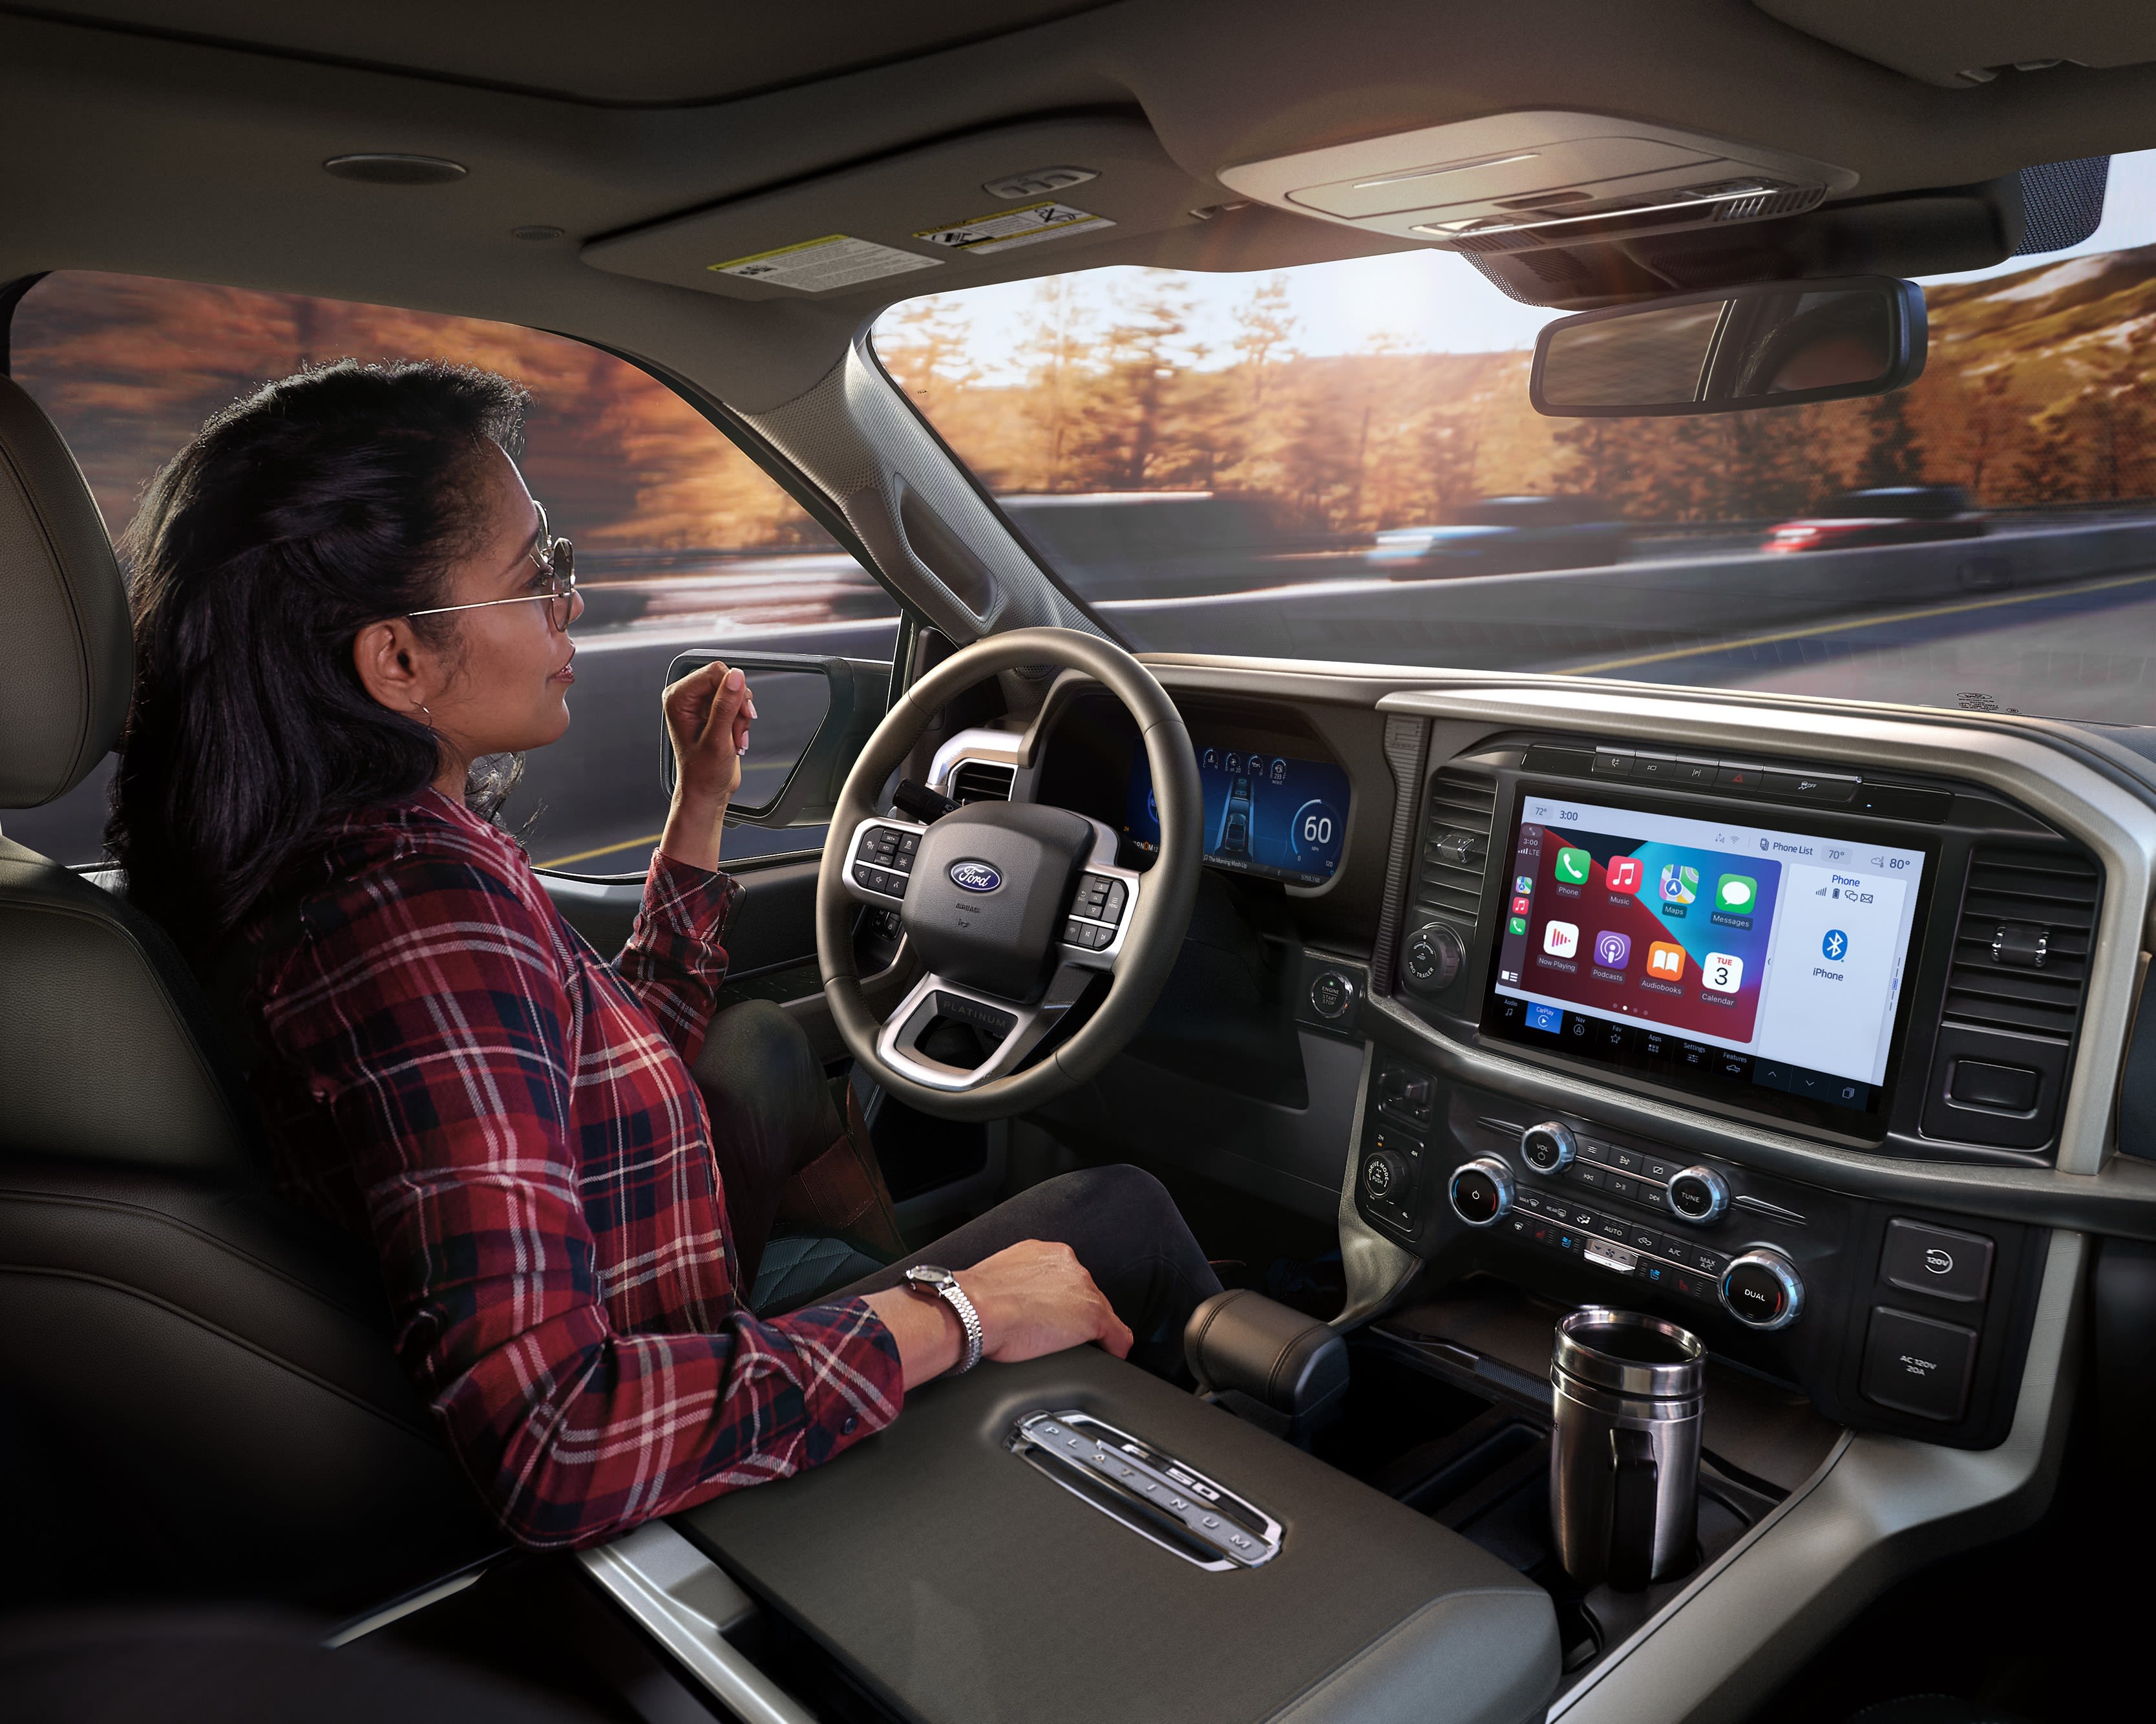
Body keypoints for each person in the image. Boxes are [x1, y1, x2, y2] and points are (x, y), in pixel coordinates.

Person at [109, 360, 1221, 1549]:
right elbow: (559, 1442)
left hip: (681, 1330)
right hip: (679, 1447)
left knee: (751, 1052)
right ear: (398, 664)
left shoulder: (347, 857)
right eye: (539, 576)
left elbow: (579, 1060)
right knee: (1123, 1212)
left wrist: (700, 809)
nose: (569, 606)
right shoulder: (417, 917)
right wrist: (959, 1313)